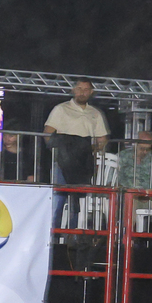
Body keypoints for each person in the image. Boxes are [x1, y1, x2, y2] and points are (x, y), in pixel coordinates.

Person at [45, 78, 109, 227]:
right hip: (63, 161)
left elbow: (102, 139)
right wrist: (58, 150)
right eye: (79, 89)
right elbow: (48, 133)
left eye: (86, 90)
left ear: (91, 92)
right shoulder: (61, 109)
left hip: (82, 162)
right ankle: (53, 233)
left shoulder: (95, 113)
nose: (82, 92)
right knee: (59, 198)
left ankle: (73, 234)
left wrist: (92, 150)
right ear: (73, 90)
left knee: (76, 200)